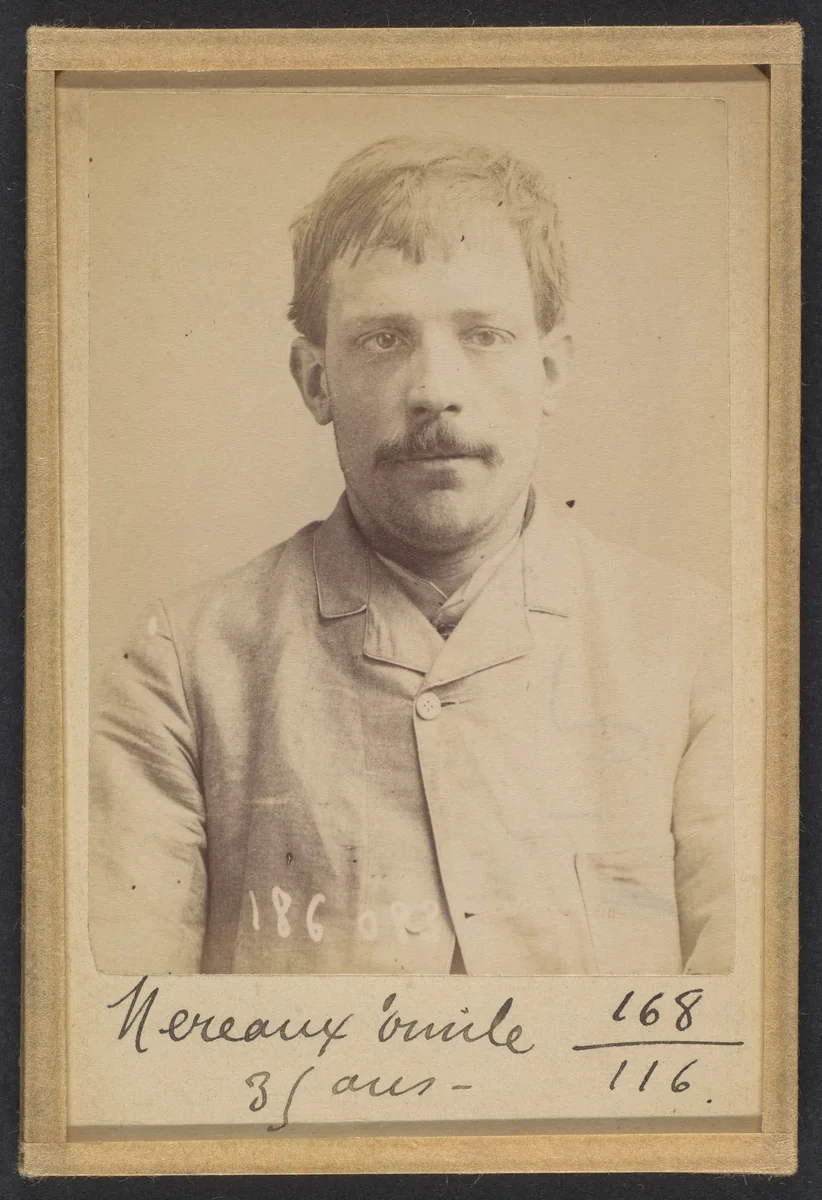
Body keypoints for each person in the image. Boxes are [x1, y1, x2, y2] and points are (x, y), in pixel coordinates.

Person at [89, 134, 733, 977]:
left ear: (550, 371)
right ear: (316, 381)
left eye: (486, 335)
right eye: (384, 340)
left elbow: (751, 1040)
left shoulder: (701, 647)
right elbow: (123, 1042)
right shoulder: (179, 664)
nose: (435, 390)